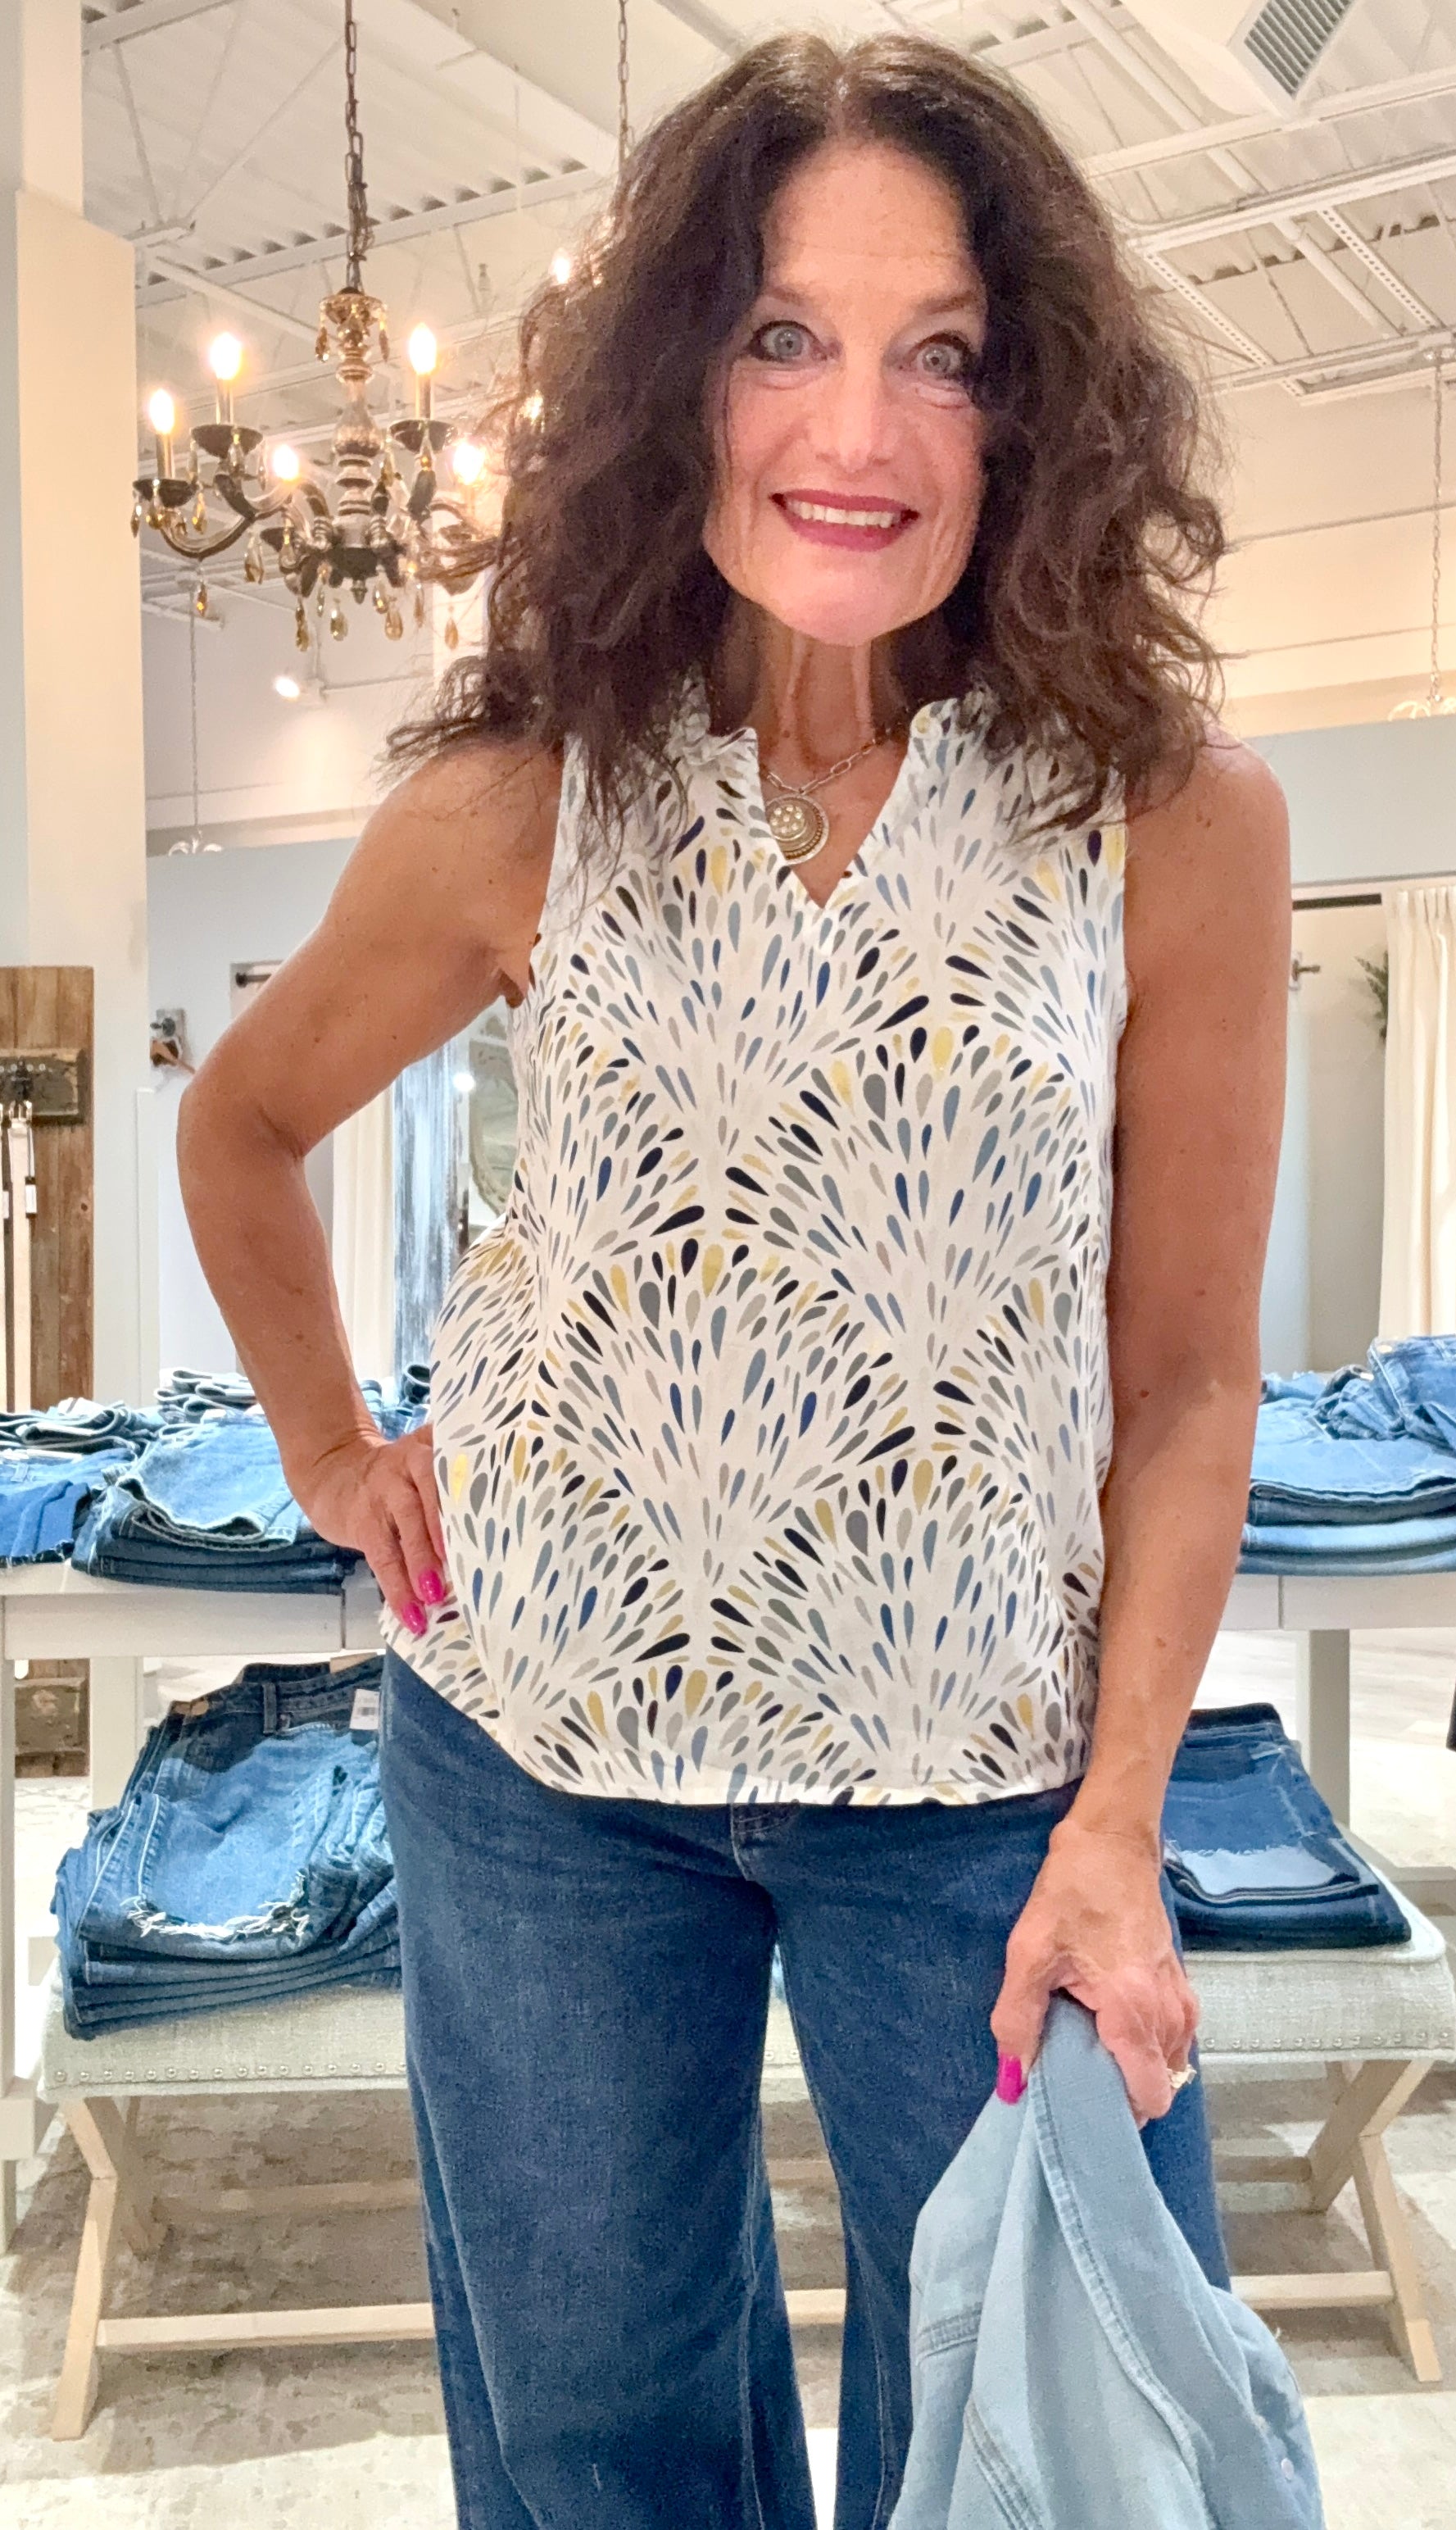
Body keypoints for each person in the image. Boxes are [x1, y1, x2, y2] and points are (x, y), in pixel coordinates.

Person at [178, 31, 1290, 2530]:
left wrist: (1120, 1824)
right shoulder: (523, 802)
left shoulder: (1168, 824)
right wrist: (332, 1452)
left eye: (941, 353)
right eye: (785, 335)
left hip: (980, 1781)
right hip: (543, 1763)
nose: (854, 429)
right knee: (600, 2445)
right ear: (679, 380)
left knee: (1041, 2427)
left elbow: (1186, 1386)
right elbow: (235, 1124)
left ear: (1030, 412)